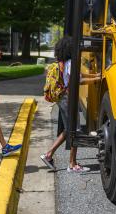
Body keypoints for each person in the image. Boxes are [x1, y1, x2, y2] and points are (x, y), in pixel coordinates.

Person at [40, 36, 101, 173]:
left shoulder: (63, 62)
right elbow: (78, 80)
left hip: (63, 99)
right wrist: (96, 79)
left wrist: (96, 76)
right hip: (68, 99)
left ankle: (48, 154)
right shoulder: (70, 63)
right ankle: (72, 164)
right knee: (75, 130)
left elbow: (78, 75)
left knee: (68, 130)